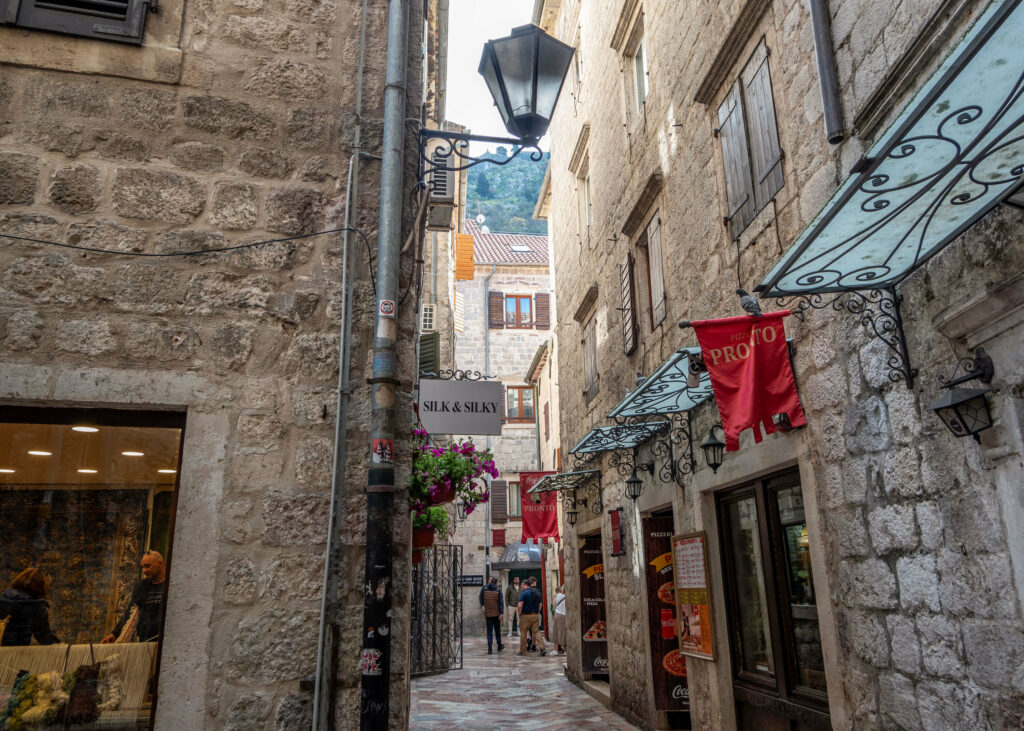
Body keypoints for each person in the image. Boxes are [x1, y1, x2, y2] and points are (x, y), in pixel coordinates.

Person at [102, 551, 167, 644]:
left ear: (160, 564)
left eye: (148, 566)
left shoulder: (170, 584)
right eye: (143, 567)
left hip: (165, 641)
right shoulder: (142, 586)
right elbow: (131, 612)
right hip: (145, 641)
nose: (144, 570)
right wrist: (114, 634)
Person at [0, 567, 60, 646]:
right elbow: (44, 637)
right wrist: (60, 645)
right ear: (41, 586)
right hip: (16, 653)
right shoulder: (36, 606)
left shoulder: (3, 597)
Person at [516, 577, 546, 656]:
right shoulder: (537, 592)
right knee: (536, 632)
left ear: (526, 585)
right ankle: (542, 648)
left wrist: (519, 614)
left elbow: (520, 605)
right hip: (535, 615)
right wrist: (537, 612)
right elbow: (540, 604)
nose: (522, 586)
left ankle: (522, 650)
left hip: (525, 615)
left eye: (523, 585)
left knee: (523, 633)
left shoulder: (524, 593)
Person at [478, 577, 504, 654]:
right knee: (497, 630)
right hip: (496, 614)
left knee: (489, 631)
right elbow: (501, 602)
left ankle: (490, 648)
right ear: (496, 583)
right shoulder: (498, 590)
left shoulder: (484, 589)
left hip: (488, 613)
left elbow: (481, 599)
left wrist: (484, 606)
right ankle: (499, 646)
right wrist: (501, 613)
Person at [551, 585, 566, 654]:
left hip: (558, 614)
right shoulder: (569, 596)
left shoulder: (558, 595)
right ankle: (566, 650)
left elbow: (554, 605)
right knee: (564, 633)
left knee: (556, 632)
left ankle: (556, 650)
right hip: (566, 615)